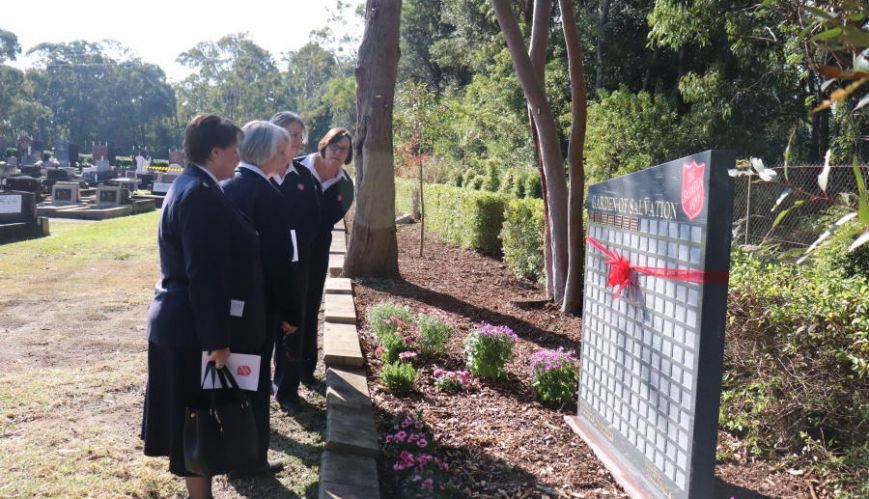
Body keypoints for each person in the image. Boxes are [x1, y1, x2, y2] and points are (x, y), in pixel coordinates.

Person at [142, 114, 268, 499]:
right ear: (214, 152)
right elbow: (204, 273)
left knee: (194, 414)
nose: (237, 158)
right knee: (194, 416)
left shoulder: (194, 185)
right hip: (191, 327)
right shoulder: (200, 194)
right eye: (233, 150)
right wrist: (217, 339)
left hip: (183, 321)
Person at [222, 120, 300, 473]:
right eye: (283, 152)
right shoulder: (268, 195)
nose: (287, 159)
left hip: (226, 305)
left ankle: (228, 449)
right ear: (269, 153)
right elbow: (280, 262)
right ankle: (250, 458)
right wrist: (289, 312)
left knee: (230, 378)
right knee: (252, 382)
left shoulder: (224, 187)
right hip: (258, 307)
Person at [268, 111, 321, 413]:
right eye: (292, 134)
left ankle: (286, 390)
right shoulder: (258, 174)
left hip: (295, 266)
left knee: (292, 329)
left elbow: (312, 219)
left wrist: (295, 247)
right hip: (263, 266)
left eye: (301, 134)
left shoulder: (303, 176)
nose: (298, 141)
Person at [298, 127, 355, 384]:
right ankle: (281, 367)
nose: (339, 153)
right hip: (288, 247)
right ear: (324, 145)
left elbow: (330, 219)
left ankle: (306, 367)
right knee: (284, 305)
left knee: (310, 305)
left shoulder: (345, 185)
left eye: (344, 149)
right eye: (335, 146)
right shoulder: (296, 168)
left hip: (318, 249)